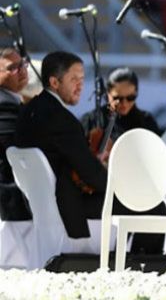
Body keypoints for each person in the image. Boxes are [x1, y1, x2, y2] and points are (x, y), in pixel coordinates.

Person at [13, 51, 107, 239]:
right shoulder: (62, 120)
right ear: (54, 82)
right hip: (68, 206)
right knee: (151, 206)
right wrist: (119, 186)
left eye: (82, 79)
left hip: (37, 205)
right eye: (74, 79)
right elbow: (91, 174)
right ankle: (140, 263)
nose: (80, 86)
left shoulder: (27, 111)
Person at [80, 68, 161, 147]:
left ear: (136, 93)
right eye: (117, 98)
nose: (124, 103)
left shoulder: (147, 121)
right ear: (107, 94)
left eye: (130, 98)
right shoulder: (91, 121)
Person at [0, 47, 30, 222]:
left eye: (23, 64)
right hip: (9, 195)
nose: (22, 70)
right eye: (13, 68)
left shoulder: (14, 100)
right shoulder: (4, 104)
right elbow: (20, 145)